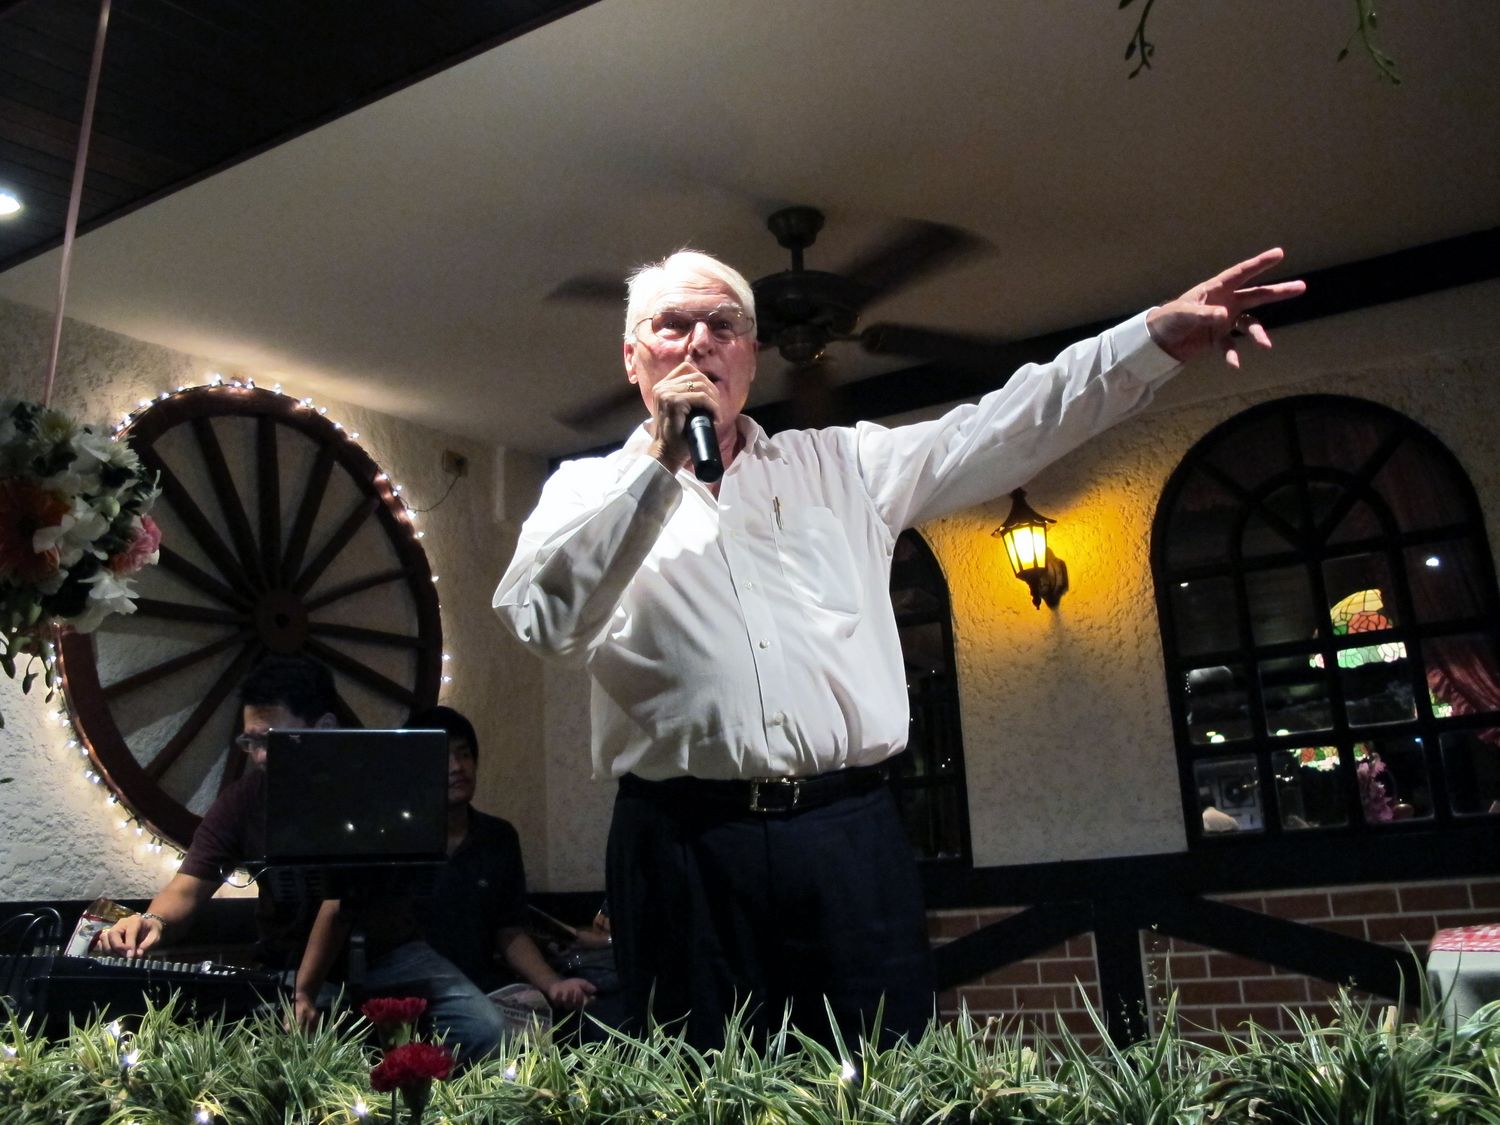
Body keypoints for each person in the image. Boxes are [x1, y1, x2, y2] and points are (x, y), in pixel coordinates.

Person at [492, 246, 1305, 1047]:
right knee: (701, 1080)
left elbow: (1010, 422)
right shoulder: (584, 492)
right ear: (632, 356)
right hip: (680, 843)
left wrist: (1152, 339)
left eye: (724, 324)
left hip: (847, 834)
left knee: (880, 1067)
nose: (700, 341)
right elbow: (547, 624)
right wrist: (659, 466)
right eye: (673, 324)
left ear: (750, 355)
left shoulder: (843, 465)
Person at [100, 656, 505, 1064]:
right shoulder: (246, 800)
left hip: (389, 955)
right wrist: (152, 922)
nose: (260, 756)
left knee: (485, 1029)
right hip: (288, 959)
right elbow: (189, 887)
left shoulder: (368, 787)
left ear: (324, 729)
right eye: (251, 742)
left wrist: (305, 992)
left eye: (271, 741)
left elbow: (339, 903)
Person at [405, 704, 595, 1010]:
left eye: (464, 754)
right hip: (415, 988)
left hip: (483, 985)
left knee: (563, 1013)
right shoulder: (400, 841)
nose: (457, 767)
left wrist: (554, 984)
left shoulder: (498, 837)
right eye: (443, 756)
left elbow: (510, 932)